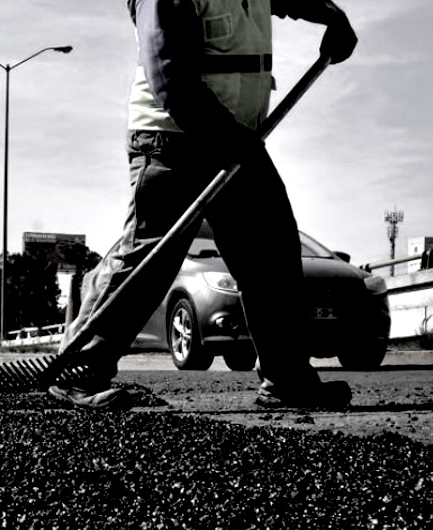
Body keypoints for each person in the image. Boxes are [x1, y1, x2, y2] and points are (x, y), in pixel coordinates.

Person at [49, 0, 358, 410]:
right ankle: (80, 369)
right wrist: (231, 139)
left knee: (272, 251)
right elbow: (169, 78)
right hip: (172, 138)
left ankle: (287, 378)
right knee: (151, 254)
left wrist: (331, 16)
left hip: (238, 137)